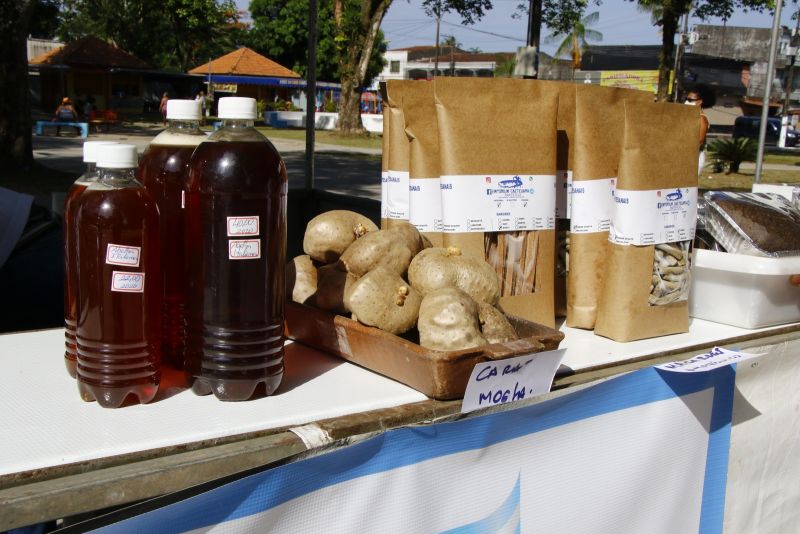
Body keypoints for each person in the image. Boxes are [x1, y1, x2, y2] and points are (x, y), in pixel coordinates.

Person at [684, 84, 716, 175]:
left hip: (695, 157)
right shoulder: (687, 116)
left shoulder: (702, 118)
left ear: (699, 102)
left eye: (690, 100)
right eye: (686, 99)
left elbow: (700, 141)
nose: (686, 102)